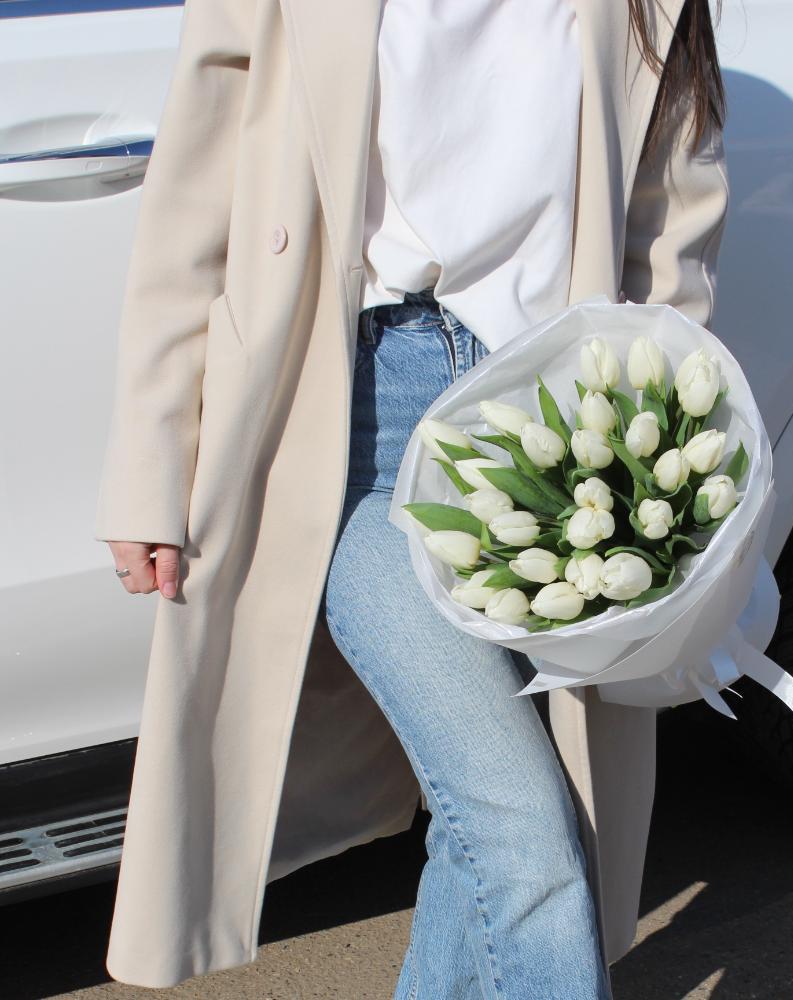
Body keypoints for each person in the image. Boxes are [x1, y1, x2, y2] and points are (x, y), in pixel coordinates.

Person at [95, 0, 730, 994]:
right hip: (357, 428)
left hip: (557, 426)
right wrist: (151, 465)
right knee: (525, 834)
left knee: (496, 819)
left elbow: (670, 233)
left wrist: (659, 444)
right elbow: (191, 216)